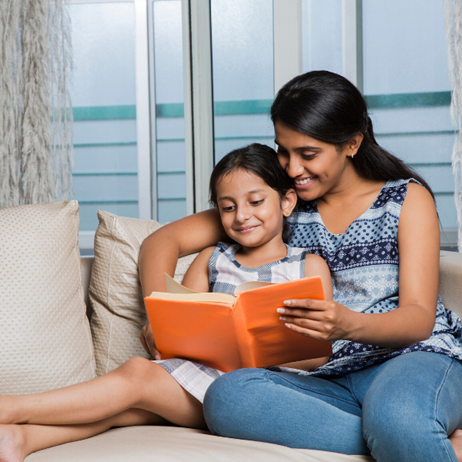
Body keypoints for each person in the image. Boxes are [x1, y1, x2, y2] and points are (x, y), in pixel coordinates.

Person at [139, 71, 462, 462]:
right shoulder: (282, 203)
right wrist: (161, 315)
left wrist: (347, 324)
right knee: (227, 396)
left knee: (397, 416)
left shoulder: (405, 199)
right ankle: (412, 438)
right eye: (283, 151)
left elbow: (418, 319)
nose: (292, 168)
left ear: (352, 143)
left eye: (307, 154)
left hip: (411, 359)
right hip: (328, 378)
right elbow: (161, 241)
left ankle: (402, 427)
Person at [0, 144, 332, 462]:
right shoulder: (211, 259)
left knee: (137, 376)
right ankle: (21, 439)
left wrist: (261, 352)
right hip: (204, 377)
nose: (241, 216)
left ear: (287, 202)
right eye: (228, 207)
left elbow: (320, 352)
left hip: (261, 391)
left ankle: (14, 407)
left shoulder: (308, 267)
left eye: (256, 202)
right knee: (130, 407)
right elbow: (179, 323)